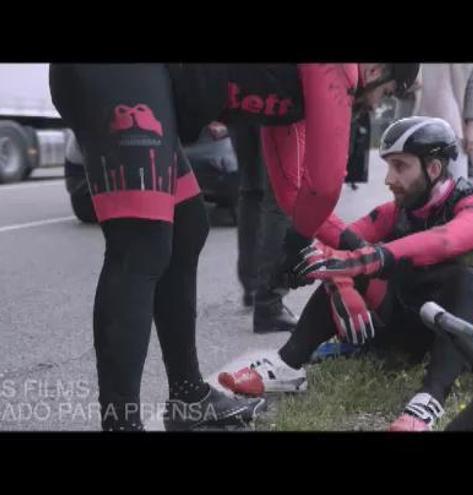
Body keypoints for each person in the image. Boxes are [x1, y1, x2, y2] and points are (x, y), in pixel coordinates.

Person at [48, 63, 420, 431]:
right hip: (118, 74)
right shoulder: (337, 70)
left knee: (187, 227)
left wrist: (359, 250)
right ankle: (121, 425)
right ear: (375, 71)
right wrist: (300, 241)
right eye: (386, 93)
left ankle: (188, 399)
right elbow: (323, 185)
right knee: (142, 244)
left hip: (140, 80)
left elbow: (294, 189)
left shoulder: (301, 87)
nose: (376, 104)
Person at [218, 117, 473, 432]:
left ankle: (430, 399)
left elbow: (445, 240)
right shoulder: (398, 210)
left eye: (400, 166)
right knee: (351, 265)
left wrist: (366, 260)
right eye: (388, 166)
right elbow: (340, 243)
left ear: (433, 168)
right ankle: (288, 364)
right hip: (423, 328)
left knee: (463, 280)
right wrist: (339, 278)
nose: (388, 178)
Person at [229, 120, 298, 333]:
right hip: (276, 103)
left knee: (251, 191)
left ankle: (252, 286)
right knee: (279, 194)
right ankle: (269, 301)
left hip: (243, 102)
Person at [397, 64, 473, 178]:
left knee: (455, 187)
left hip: (455, 134)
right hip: (415, 132)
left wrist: (472, 128)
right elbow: (395, 82)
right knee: (415, 188)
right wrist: (407, 82)